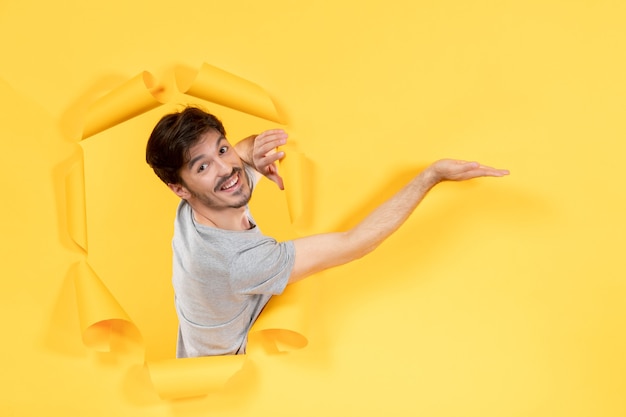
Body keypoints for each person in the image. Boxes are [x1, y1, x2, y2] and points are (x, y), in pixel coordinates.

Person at [145, 106, 509, 358]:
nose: (227, 168)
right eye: (204, 166)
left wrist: (253, 153)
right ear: (180, 188)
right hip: (228, 381)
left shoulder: (196, 206)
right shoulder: (241, 263)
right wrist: (430, 176)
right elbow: (355, 242)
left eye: (223, 149)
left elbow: (236, 156)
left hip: (198, 343)